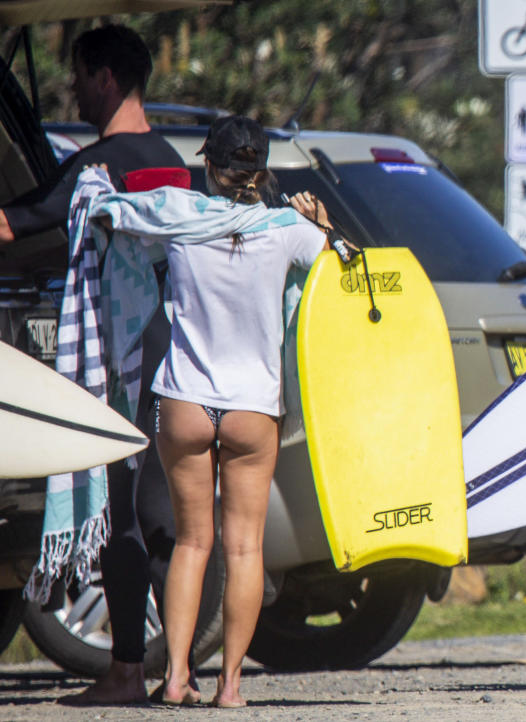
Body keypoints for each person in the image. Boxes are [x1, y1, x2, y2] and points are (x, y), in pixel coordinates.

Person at [0, 24, 191, 706]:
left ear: (107, 78)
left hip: (119, 364)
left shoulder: (97, 166)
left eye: (79, 76)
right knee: (167, 517)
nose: (72, 88)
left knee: (121, 518)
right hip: (173, 357)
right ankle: (182, 674)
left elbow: (11, 224)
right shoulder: (172, 161)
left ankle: (128, 672)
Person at [148, 116, 329, 707]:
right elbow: (340, 263)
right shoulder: (288, 231)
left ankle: (176, 678)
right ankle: (229, 685)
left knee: (191, 543)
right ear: (262, 171)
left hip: (185, 400)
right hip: (253, 406)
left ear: (209, 166)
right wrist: (319, 223)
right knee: (244, 547)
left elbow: (120, 221)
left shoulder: (178, 220)